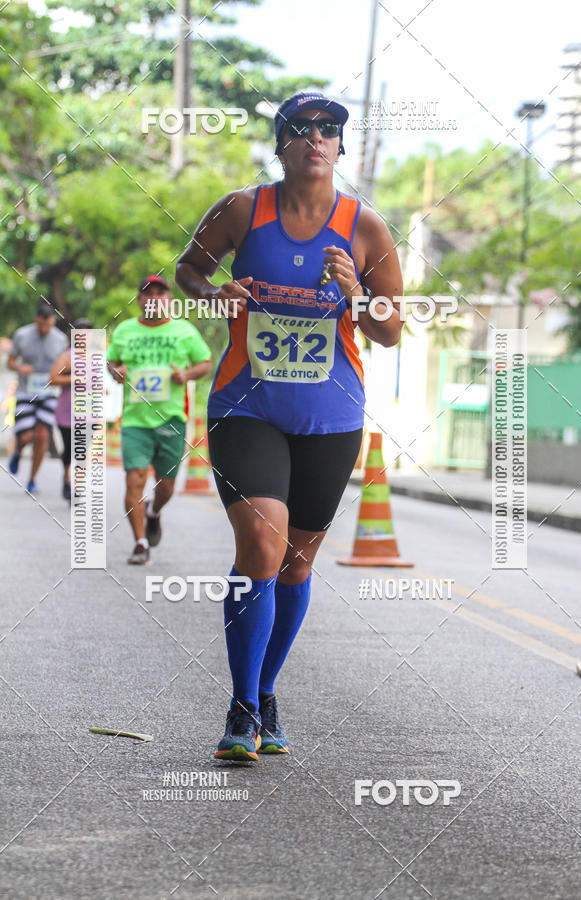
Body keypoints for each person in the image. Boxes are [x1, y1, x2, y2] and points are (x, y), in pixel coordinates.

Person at [176, 90, 404, 761]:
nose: (315, 138)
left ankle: (267, 690)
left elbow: (391, 333)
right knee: (262, 542)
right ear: (281, 143)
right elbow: (189, 269)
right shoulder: (243, 210)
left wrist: (358, 297)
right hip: (246, 407)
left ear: (340, 145)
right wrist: (212, 292)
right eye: (301, 128)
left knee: (298, 565)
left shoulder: (366, 229)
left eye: (329, 129)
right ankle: (242, 708)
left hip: (330, 417)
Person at [106, 275, 212, 564]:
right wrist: (117, 372)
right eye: (147, 293)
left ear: (169, 301)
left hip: (171, 419)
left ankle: (154, 512)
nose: (153, 298)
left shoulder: (184, 331)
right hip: (134, 420)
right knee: (134, 480)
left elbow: (205, 362)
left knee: (166, 485)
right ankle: (140, 543)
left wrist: (186, 375)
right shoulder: (125, 330)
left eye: (159, 293)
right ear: (139, 300)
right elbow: (111, 361)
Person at [7, 305, 68, 493]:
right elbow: (10, 362)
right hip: (26, 392)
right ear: (36, 320)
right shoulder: (22, 335)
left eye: (48, 326)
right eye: (41, 325)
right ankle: (18, 450)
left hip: (49, 393)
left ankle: (32, 479)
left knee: (42, 435)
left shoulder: (61, 339)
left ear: (53, 322)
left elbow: (66, 365)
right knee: (26, 435)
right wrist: (20, 368)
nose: (44, 330)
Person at [50, 317, 94, 501]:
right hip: (67, 412)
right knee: (70, 449)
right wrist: (74, 378)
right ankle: (67, 478)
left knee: (83, 450)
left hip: (90, 412)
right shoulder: (67, 356)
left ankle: (78, 487)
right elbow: (53, 379)